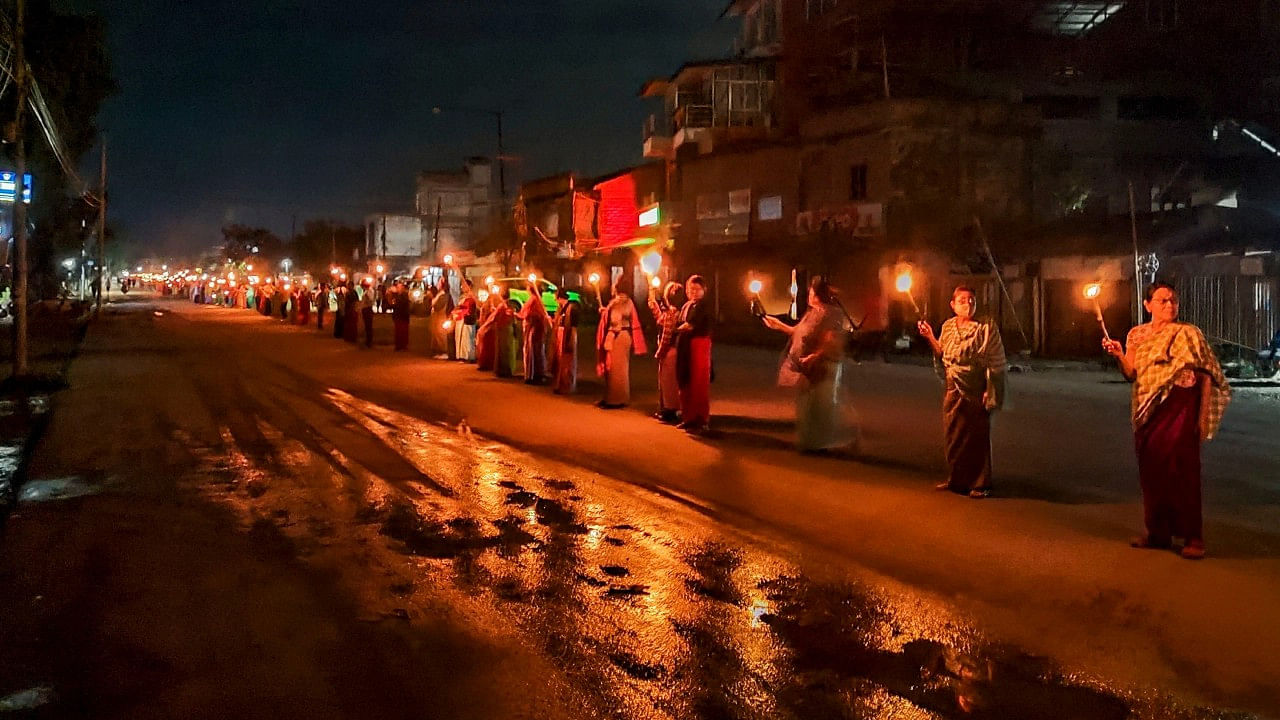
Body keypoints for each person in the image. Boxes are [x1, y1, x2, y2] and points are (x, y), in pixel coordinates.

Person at [1103, 282, 1230, 559]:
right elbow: (1132, 372)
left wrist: (1202, 416)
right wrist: (1118, 355)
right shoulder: (1137, 334)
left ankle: (1193, 537)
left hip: (1181, 407)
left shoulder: (1189, 334)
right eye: (1162, 301)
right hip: (1147, 409)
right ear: (1148, 305)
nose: (1169, 305)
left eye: (1173, 300)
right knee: (1152, 473)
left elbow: (1207, 375)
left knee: (1182, 471)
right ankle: (1157, 533)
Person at [917, 286, 1007, 499]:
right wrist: (930, 336)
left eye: (971, 301)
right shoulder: (948, 326)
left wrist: (989, 389)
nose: (968, 304)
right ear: (953, 304)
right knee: (953, 434)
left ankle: (980, 483)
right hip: (953, 385)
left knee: (976, 436)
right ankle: (957, 479)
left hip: (975, 386)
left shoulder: (986, 327)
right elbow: (943, 354)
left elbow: (995, 362)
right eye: (963, 300)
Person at [764, 276, 855, 452]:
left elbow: (830, 339)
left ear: (817, 295)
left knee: (822, 405)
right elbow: (799, 332)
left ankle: (823, 444)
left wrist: (815, 355)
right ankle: (809, 442)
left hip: (824, 365)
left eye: (812, 293)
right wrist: (778, 325)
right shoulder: (812, 312)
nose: (809, 296)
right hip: (808, 367)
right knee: (807, 405)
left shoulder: (831, 313)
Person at [596, 278, 648, 408]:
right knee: (619, 368)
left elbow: (615, 324)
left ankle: (615, 399)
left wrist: (607, 343)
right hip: (624, 336)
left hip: (617, 337)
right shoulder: (627, 301)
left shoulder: (619, 302)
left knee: (614, 368)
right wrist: (605, 312)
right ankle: (614, 397)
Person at [675, 275, 713, 433]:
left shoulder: (705, 307)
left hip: (699, 344)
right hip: (685, 345)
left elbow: (695, 326)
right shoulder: (687, 306)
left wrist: (686, 327)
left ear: (704, 290)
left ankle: (701, 419)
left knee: (698, 382)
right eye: (691, 289)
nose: (694, 292)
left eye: (697, 289)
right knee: (685, 380)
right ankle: (688, 417)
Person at [648, 282, 683, 423]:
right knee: (670, 381)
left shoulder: (671, 314)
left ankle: (669, 411)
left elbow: (666, 336)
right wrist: (651, 293)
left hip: (670, 352)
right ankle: (669, 409)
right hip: (675, 351)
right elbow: (658, 315)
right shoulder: (675, 312)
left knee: (668, 383)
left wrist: (660, 352)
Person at [519, 281, 552, 384]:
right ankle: (535, 373)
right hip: (533, 327)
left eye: (528, 288)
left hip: (534, 328)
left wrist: (518, 315)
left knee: (533, 350)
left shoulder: (534, 300)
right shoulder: (534, 300)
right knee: (535, 350)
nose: (527, 290)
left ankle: (534, 374)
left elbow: (528, 314)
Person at [552, 288, 581, 395]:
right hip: (561, 335)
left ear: (560, 298)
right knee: (561, 361)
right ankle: (561, 384)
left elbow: (573, 326)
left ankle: (568, 385)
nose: (556, 301)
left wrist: (570, 340)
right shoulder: (561, 308)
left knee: (568, 362)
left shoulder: (571, 308)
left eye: (556, 298)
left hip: (568, 335)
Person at [491, 288, 518, 377]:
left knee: (504, 351)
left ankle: (504, 370)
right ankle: (508, 369)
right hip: (508, 329)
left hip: (503, 330)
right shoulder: (510, 305)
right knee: (508, 350)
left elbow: (494, 317)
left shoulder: (504, 306)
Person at [429, 277, 454, 359]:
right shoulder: (440, 295)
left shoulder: (443, 296)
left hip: (441, 317)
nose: (437, 284)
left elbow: (436, 306)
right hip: (438, 316)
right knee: (437, 334)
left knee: (441, 334)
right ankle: (439, 351)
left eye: (439, 282)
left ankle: (444, 352)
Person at [453, 286, 479, 362]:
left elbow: (470, 310)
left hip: (467, 321)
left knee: (467, 339)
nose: (462, 288)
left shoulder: (471, 299)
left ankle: (469, 356)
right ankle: (461, 355)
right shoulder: (462, 298)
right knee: (461, 339)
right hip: (460, 320)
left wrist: (461, 312)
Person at [475, 290, 498, 371]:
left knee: (486, 347)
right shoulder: (486, 303)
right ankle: (484, 363)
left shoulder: (491, 304)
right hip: (485, 327)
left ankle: (486, 364)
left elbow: (490, 316)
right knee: (483, 346)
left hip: (488, 329)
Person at [391, 280, 411, 351]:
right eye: (397, 287)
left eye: (399, 287)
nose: (397, 288)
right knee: (398, 332)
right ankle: (398, 345)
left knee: (403, 332)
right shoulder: (397, 295)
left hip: (403, 316)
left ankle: (403, 345)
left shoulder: (404, 295)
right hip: (398, 316)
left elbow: (402, 304)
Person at [360, 279, 376, 348]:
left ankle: (369, 342)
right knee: (367, 326)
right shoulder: (366, 291)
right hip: (365, 309)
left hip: (368, 309)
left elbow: (370, 300)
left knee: (368, 326)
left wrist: (367, 298)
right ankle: (367, 341)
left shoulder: (369, 291)